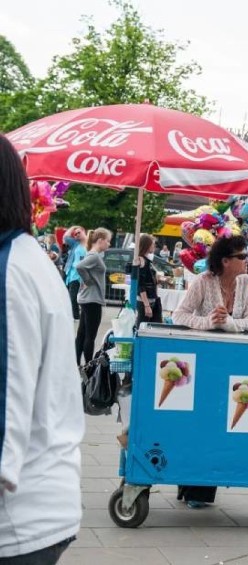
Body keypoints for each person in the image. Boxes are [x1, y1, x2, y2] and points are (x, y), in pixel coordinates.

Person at [0, 133, 83, 563]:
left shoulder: (8, 270)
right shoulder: (24, 256)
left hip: (17, 521)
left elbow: (5, 404)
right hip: (41, 505)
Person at [172, 235, 248, 508]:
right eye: (242, 257)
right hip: (206, 362)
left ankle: (200, 487)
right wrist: (208, 322)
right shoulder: (204, 281)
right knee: (204, 422)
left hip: (238, 362)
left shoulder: (247, 282)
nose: (247, 261)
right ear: (225, 261)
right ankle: (194, 488)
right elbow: (179, 315)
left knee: (225, 424)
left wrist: (231, 323)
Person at [74, 228, 112, 365]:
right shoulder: (94, 256)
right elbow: (79, 267)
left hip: (88, 298)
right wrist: (88, 281)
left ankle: (77, 362)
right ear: (100, 240)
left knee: (82, 334)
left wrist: (87, 280)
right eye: (108, 241)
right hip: (92, 299)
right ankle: (89, 364)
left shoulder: (93, 255)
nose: (109, 244)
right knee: (90, 335)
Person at [135, 234, 163, 326]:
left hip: (152, 298)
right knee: (142, 327)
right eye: (152, 244)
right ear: (147, 245)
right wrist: (146, 305)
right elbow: (140, 285)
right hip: (146, 301)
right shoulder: (141, 260)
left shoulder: (147, 260)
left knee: (154, 327)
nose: (154, 246)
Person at [63, 226, 87, 320]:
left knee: (83, 297)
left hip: (84, 274)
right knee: (72, 296)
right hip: (73, 274)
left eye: (78, 232)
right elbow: (65, 237)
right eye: (75, 234)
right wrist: (73, 228)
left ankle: (79, 316)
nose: (76, 235)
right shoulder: (75, 244)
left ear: (83, 231)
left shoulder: (89, 244)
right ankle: (75, 316)